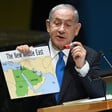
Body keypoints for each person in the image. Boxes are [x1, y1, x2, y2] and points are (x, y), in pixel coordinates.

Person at [1, 4, 106, 112]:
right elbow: (12, 103)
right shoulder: (32, 55)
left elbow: (100, 96)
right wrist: (19, 63)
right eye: (57, 23)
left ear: (76, 29)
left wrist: (82, 67)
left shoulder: (89, 55)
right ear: (48, 26)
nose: (61, 29)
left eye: (68, 25)